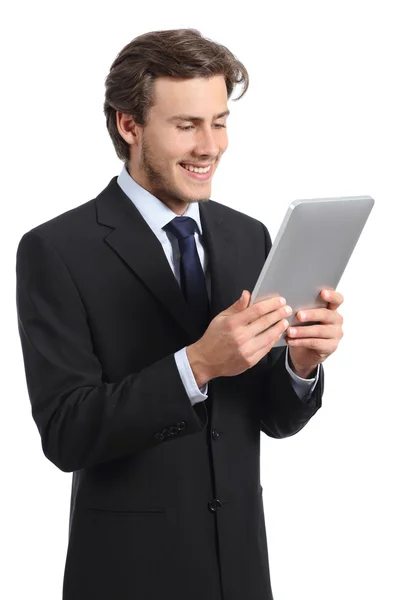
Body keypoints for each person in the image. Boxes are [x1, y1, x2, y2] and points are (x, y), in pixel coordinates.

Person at [15, 28, 344, 600]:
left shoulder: (247, 237)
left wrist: (300, 364)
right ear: (129, 125)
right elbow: (66, 433)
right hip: (127, 575)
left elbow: (273, 418)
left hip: (240, 571)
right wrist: (194, 366)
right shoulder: (56, 249)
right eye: (187, 125)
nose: (209, 146)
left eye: (219, 122)